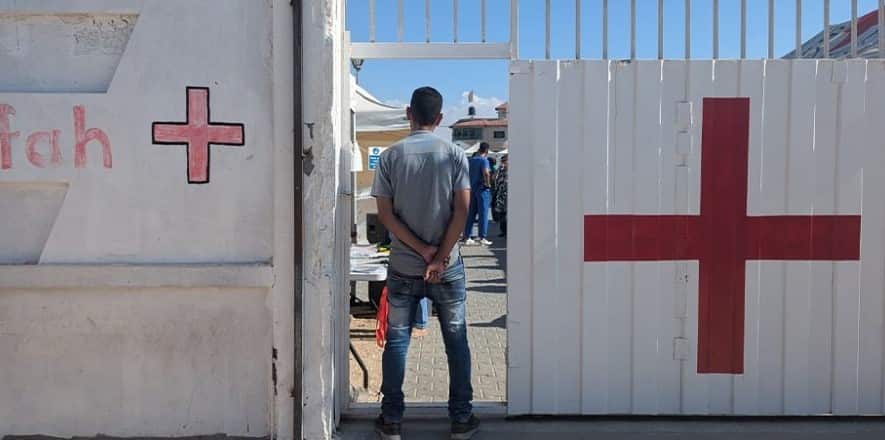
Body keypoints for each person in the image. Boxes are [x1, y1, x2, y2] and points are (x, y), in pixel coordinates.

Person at [371, 86, 480, 440]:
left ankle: (391, 421)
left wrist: (421, 250)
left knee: (398, 342)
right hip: (447, 268)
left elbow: (385, 215)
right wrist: (440, 255)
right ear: (440, 118)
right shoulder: (454, 154)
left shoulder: (390, 157)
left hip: (404, 265)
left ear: (408, 113)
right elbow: (462, 209)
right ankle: (461, 420)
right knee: (456, 340)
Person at [462, 142, 493, 246]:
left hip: (471, 189)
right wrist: (488, 184)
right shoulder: (484, 160)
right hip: (481, 189)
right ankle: (482, 237)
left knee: (470, 214)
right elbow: (486, 172)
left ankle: (467, 236)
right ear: (487, 151)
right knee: (483, 214)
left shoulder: (470, 160)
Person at [494, 154, 508, 237]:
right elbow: (493, 178)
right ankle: (503, 231)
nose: (503, 163)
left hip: (508, 195)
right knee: (501, 213)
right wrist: (499, 169)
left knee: (506, 214)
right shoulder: (501, 171)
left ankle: (507, 231)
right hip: (500, 195)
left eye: (504, 161)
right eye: (502, 161)